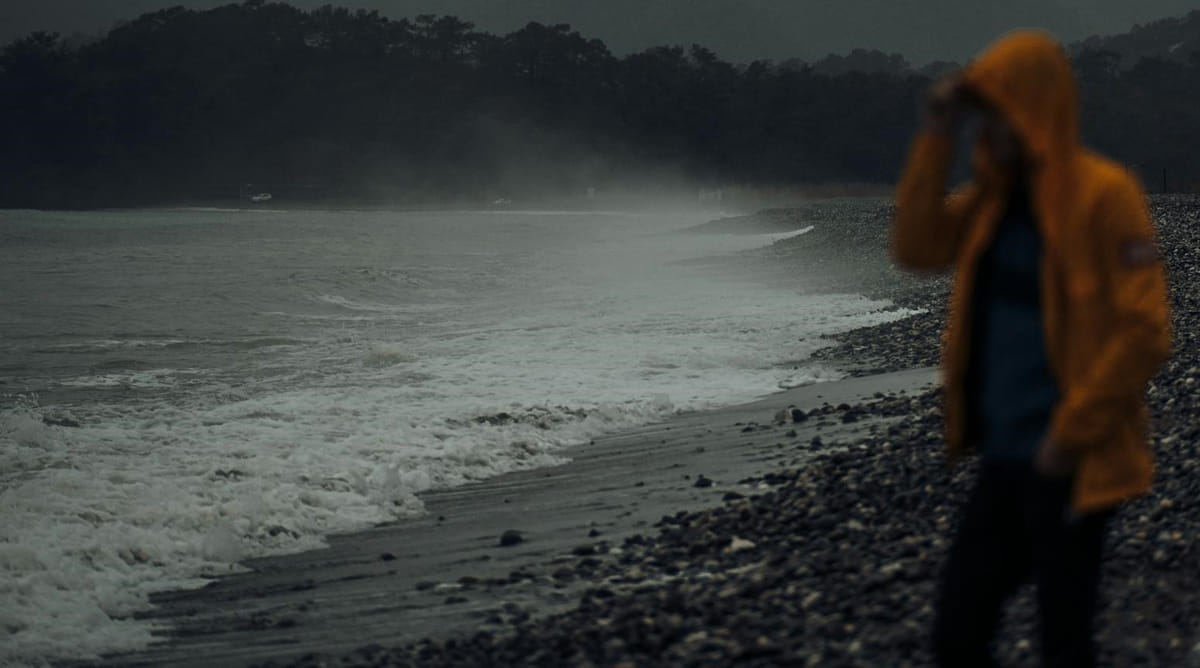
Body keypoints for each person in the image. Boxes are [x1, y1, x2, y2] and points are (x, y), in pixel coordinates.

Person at [891, 31, 1172, 667]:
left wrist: (1066, 438)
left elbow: (1145, 329)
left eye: (995, 110)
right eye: (979, 112)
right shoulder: (990, 204)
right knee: (959, 634)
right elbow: (915, 247)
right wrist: (935, 133)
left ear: (1032, 111)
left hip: (1074, 464)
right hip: (1003, 456)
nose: (983, 127)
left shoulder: (1106, 195)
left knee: (1063, 640)